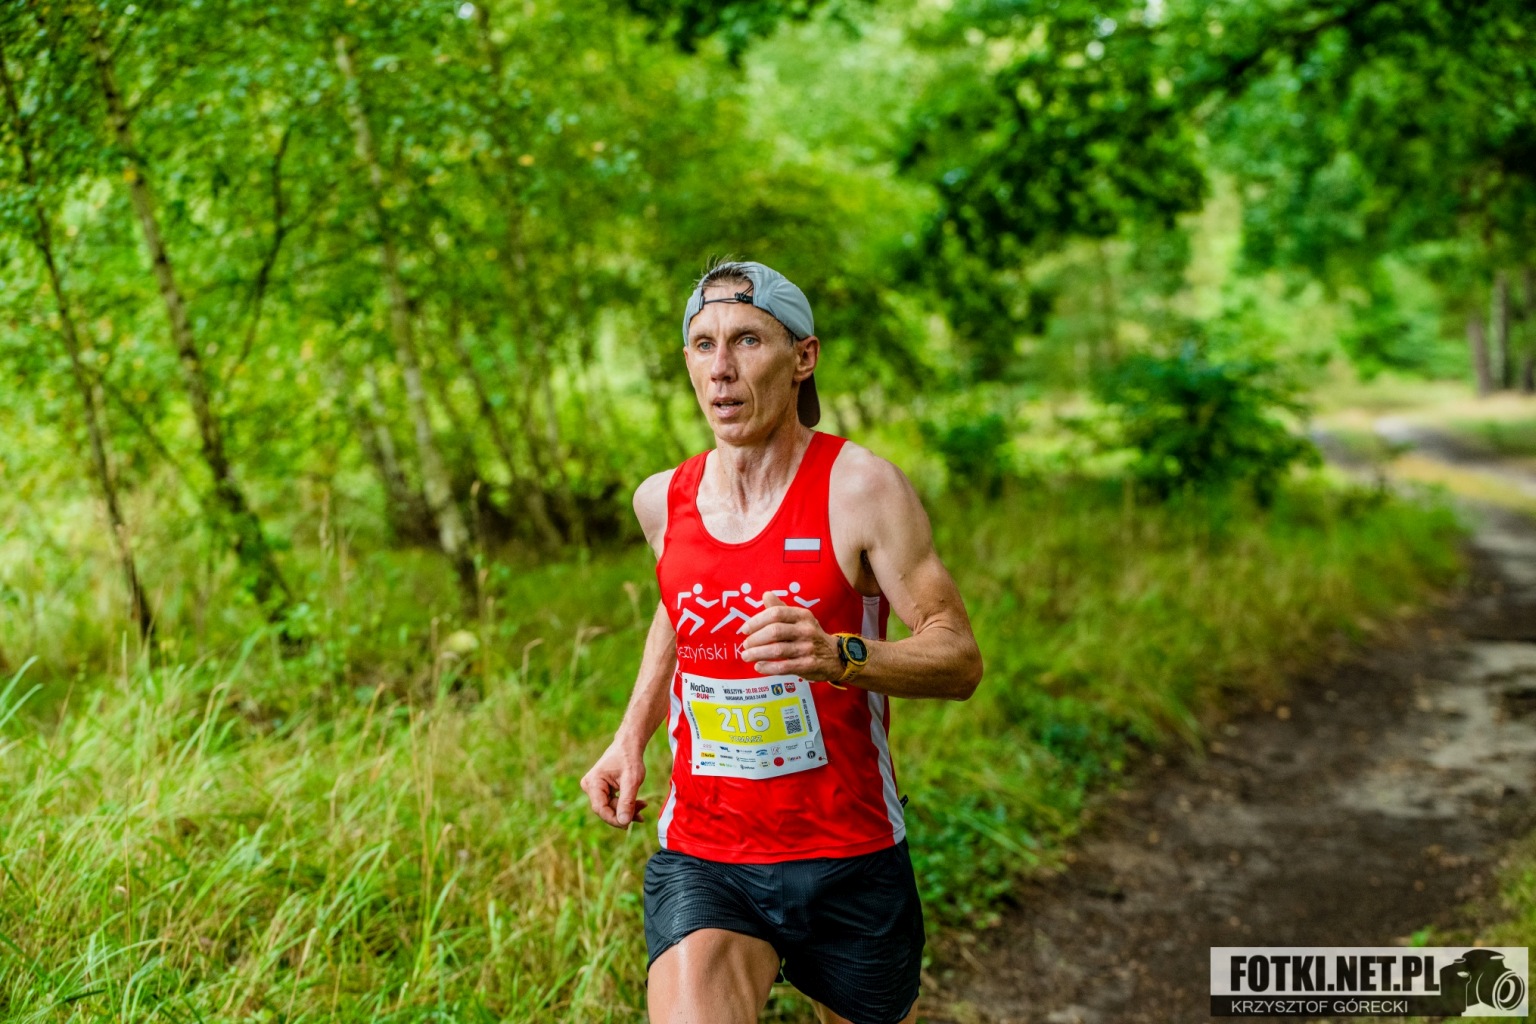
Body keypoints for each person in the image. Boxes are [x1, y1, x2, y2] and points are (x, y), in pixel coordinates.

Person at [581, 260, 984, 1024]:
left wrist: (839, 656)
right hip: (708, 852)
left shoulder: (862, 489)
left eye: (747, 340)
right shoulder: (661, 500)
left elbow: (958, 658)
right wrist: (630, 736)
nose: (721, 369)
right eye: (703, 345)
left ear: (803, 357)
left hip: (848, 849)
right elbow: (678, 605)